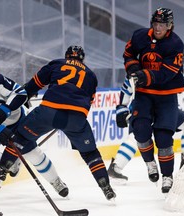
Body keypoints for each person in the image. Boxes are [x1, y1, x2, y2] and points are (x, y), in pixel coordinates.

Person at [11, 45, 116, 201]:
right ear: (82, 59)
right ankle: (105, 186)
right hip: (76, 118)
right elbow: (89, 101)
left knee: (19, 136)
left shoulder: (57, 63)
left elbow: (34, 84)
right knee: (90, 153)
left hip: (49, 111)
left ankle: (5, 166)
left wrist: (25, 97)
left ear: (67, 56)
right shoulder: (91, 75)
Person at [0, 59, 69, 197]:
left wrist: (6, 108)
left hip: (16, 120)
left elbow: (20, 93)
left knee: (33, 154)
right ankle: (13, 159)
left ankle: (56, 181)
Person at [121, 7, 184, 193]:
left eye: (162, 25)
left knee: (164, 137)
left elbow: (166, 73)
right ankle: (150, 163)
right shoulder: (140, 36)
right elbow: (128, 54)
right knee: (140, 129)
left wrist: (145, 75)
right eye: (156, 24)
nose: (158, 28)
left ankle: (167, 176)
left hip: (166, 96)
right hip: (144, 94)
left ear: (170, 26)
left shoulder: (175, 44)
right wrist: (133, 70)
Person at [108, 78, 184, 183]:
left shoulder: (169, 64)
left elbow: (180, 81)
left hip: (164, 108)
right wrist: (122, 108)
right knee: (137, 136)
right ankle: (115, 168)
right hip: (143, 108)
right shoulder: (140, 66)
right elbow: (128, 84)